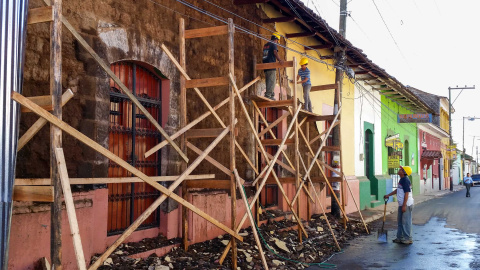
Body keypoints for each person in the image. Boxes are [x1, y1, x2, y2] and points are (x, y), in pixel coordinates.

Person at [384, 165, 414, 245]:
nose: (399, 170)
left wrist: (404, 205)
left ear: (404, 173)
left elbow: (406, 193)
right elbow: (398, 190)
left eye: (401, 169)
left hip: (406, 204)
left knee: (406, 222)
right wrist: (388, 195)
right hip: (402, 204)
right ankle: (400, 237)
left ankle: (408, 239)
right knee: (400, 221)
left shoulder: (405, 180)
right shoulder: (402, 180)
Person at [262, 32, 283, 100]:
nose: (277, 42)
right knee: (272, 81)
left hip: (265, 66)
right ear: (276, 39)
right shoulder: (273, 44)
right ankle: (269, 95)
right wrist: (280, 60)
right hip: (271, 65)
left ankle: (270, 94)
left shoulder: (266, 45)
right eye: (277, 41)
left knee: (268, 80)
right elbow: (275, 52)